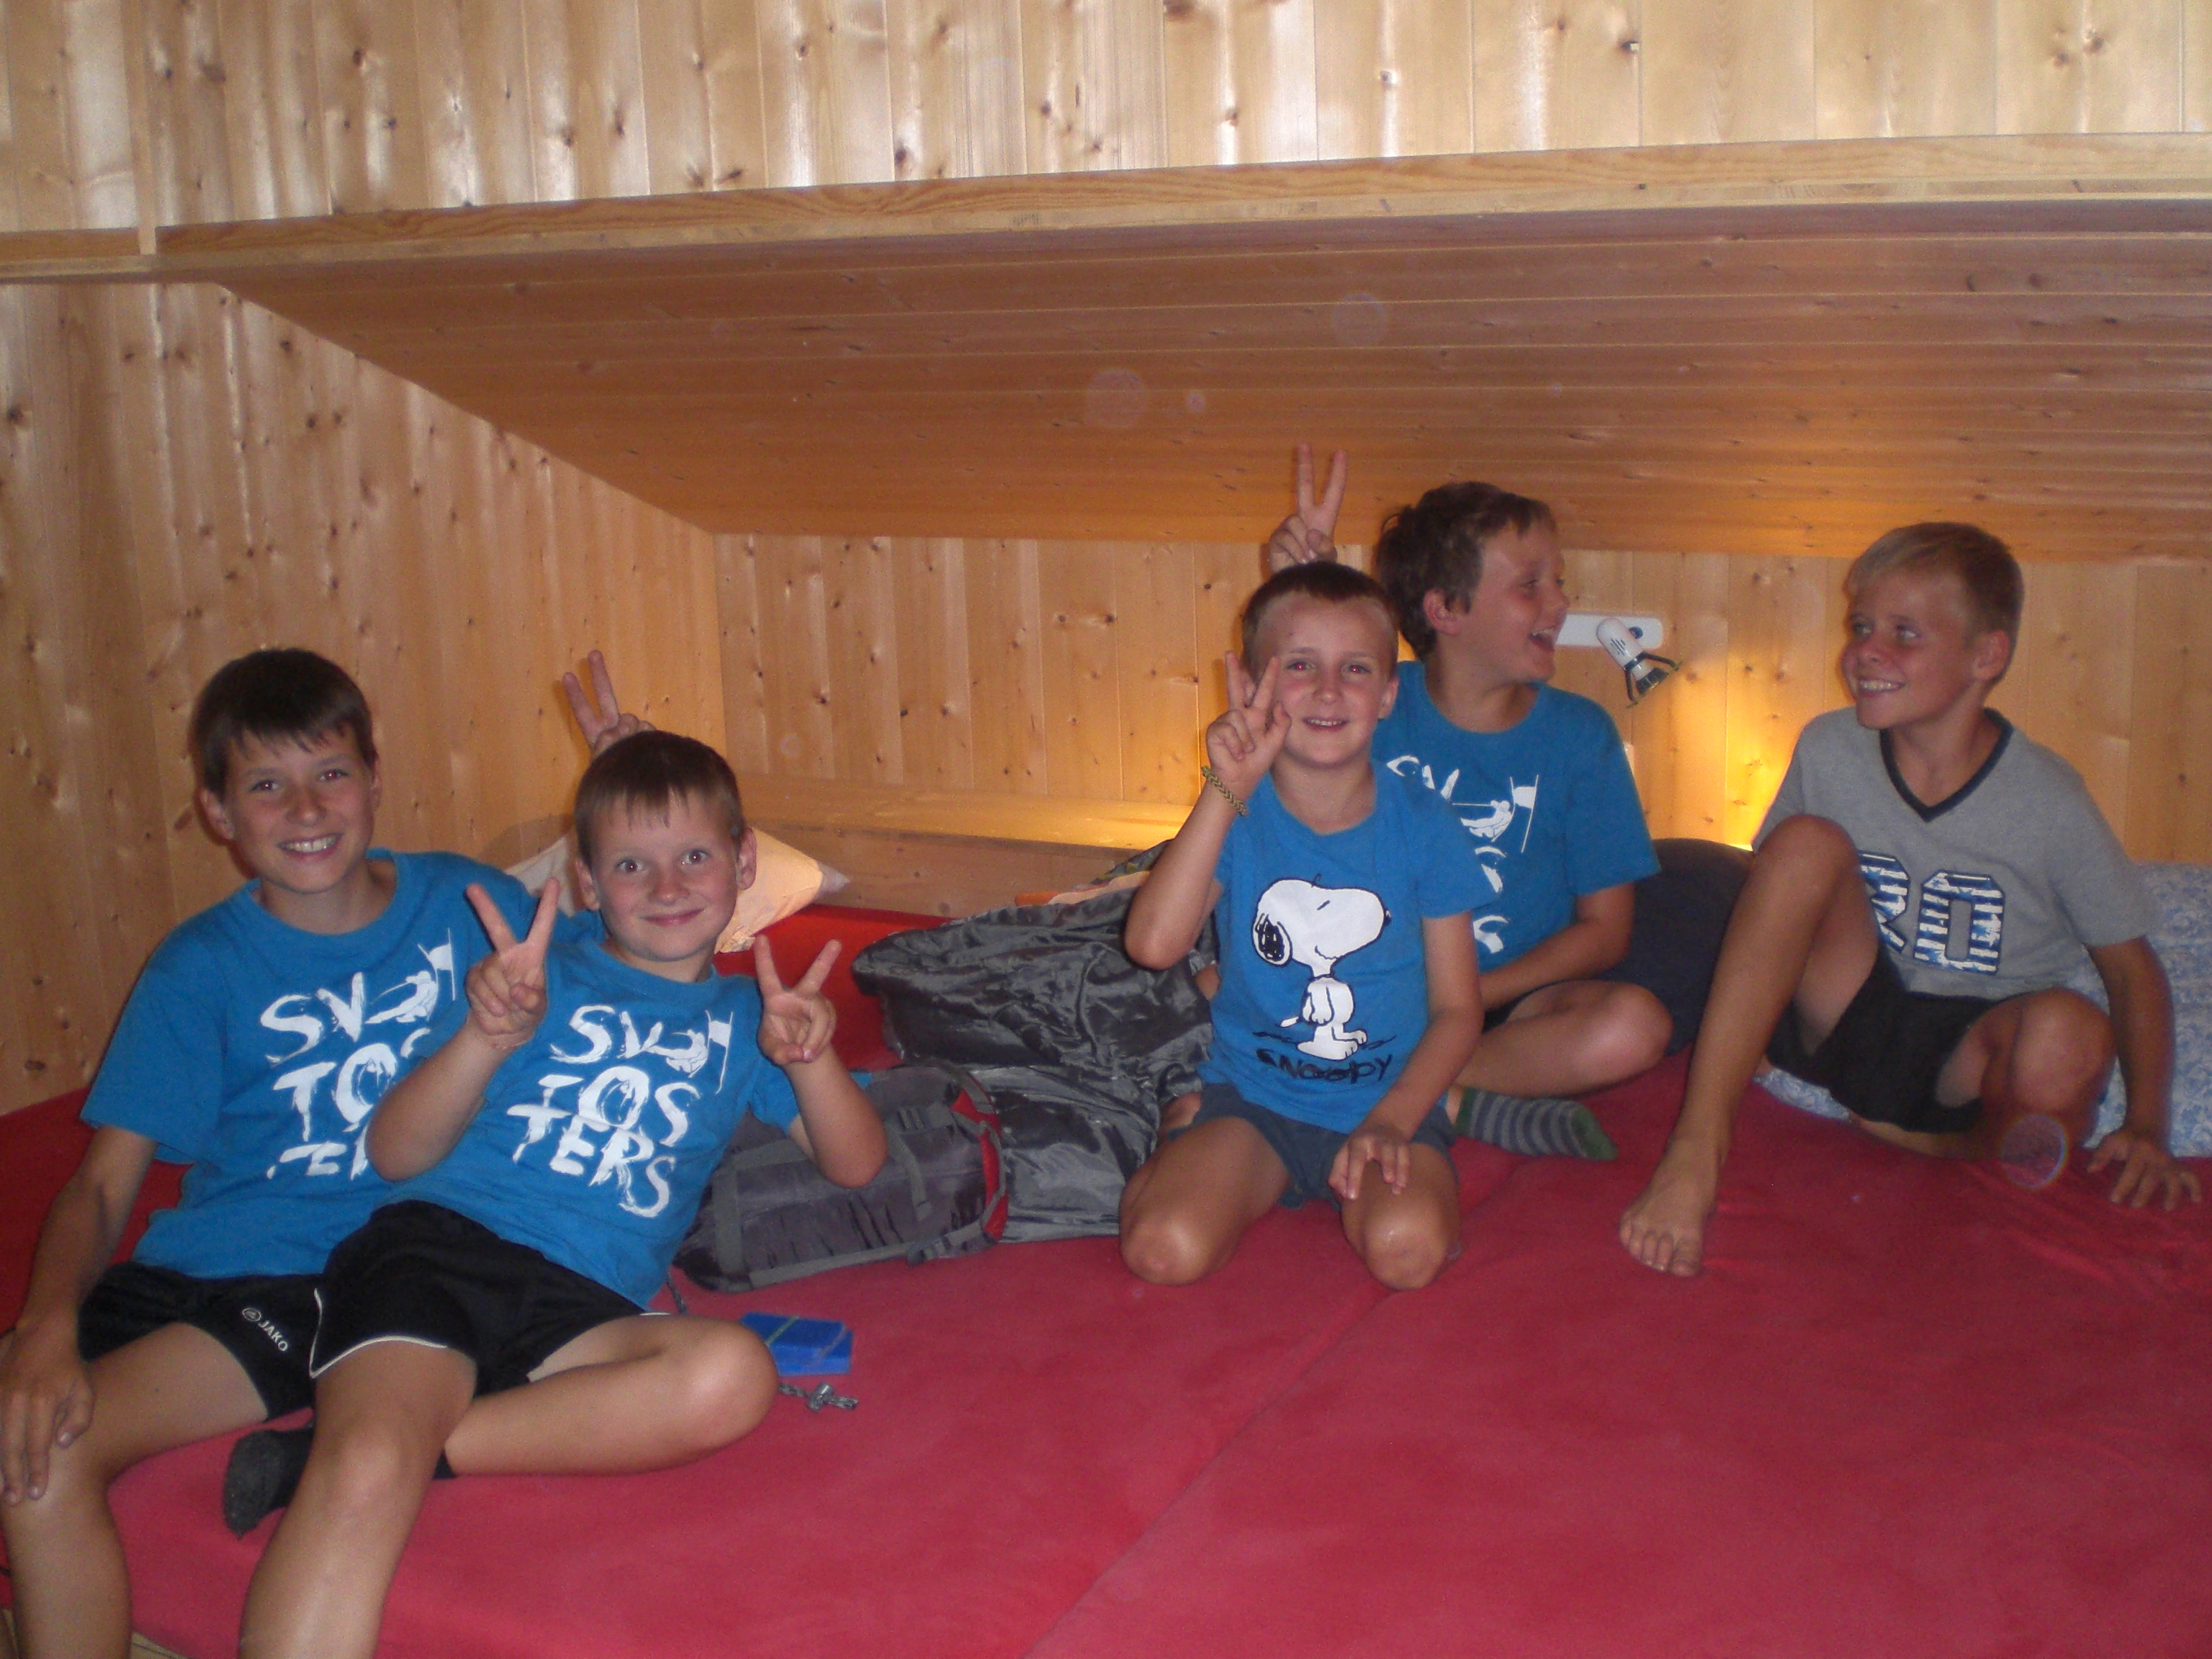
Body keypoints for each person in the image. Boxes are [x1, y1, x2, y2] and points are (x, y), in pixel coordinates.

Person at [234, 730, 887, 1656]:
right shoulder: (537, 980)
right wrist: (487, 1036)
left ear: (744, 862)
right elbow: (395, 1152)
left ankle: (368, 1448)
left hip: (583, 1310)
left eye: (695, 857)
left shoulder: (753, 1018)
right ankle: (371, 1449)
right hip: (438, 1252)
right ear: (586, 883)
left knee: (734, 1376)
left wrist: (813, 1058)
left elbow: (858, 1165)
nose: (666, 886)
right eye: (631, 865)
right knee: (369, 1466)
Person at [0, 649, 562, 1659]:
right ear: (218, 812)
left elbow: (631, 947)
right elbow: (102, 1185)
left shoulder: (469, 908)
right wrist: (46, 1326)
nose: (306, 808)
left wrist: (620, 781)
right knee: (19, 1420)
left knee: (49, 1452)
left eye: (331, 773)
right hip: (182, 1270)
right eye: (266, 785)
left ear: (375, 780)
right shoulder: (198, 966)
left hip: (320, 1278)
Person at [1620, 523, 2203, 1277]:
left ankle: (1957, 1150)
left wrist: (2149, 1124)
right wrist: (1749, 1032)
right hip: (1848, 1011)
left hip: (1971, 1055)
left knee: (2071, 1033)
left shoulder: (2050, 801)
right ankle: (1697, 1150)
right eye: (1862, 627)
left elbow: (2131, 969)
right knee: (1802, 846)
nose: (1868, 651)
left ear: (1986, 657)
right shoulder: (1830, 748)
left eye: (1904, 633)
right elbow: (1775, 901)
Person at [1265, 445, 1669, 1157]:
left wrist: (1469, 997)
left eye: (1558, 581)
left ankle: (1385, 1086)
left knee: (1634, 1026)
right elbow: (1278, 750)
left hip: (1508, 1001)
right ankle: (1439, 1097)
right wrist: (1296, 589)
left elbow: (1606, 932)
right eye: (1530, 585)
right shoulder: (1373, 706)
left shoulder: (1581, 736)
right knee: (1221, 987)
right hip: (1375, 981)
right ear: (1445, 610)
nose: (1559, 603)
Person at [1120, 561, 1486, 1291]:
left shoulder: (1426, 826)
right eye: (1299, 665)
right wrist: (1225, 787)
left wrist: (1394, 1119)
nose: (1327, 689)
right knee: (1163, 1251)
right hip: (1253, 1101)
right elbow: (1152, 946)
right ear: (1252, 686)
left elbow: (1457, 1009)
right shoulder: (1238, 811)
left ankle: (1431, 1129)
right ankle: (1187, 1142)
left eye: (1355, 668)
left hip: (1383, 1100)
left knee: (1408, 1252)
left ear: (1388, 694)